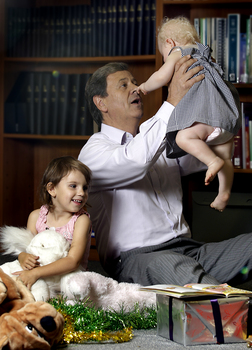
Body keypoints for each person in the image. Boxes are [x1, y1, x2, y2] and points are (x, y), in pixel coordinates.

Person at [78, 59, 252, 289]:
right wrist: (173, 101)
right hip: (137, 258)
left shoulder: (156, 140)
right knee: (184, 274)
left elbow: (207, 153)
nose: (135, 88)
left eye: (135, 82)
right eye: (123, 85)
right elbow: (137, 161)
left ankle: (208, 294)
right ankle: (232, 314)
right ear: (101, 103)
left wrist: (215, 101)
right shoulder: (93, 152)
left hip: (190, 251)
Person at [137, 16, 241, 212]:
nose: (165, 58)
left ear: (170, 42)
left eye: (163, 55)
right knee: (227, 158)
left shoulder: (179, 52)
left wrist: (145, 86)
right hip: (226, 120)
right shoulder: (207, 55)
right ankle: (224, 192)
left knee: (184, 137)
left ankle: (212, 161)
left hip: (207, 118)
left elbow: (161, 76)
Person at [13, 156, 92, 290]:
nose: (81, 193)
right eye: (73, 186)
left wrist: (35, 273)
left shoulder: (81, 220)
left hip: (68, 280)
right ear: (52, 189)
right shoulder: (36, 217)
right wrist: (23, 257)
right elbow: (26, 248)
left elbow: (73, 261)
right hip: (39, 276)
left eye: (84, 188)